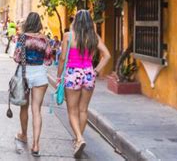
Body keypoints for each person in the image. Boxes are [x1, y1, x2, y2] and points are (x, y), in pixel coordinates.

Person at [57, 10, 111, 158]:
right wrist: (96, 71)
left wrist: (58, 76)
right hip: (88, 73)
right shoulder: (94, 37)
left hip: (72, 73)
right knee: (83, 110)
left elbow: (62, 58)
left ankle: (79, 139)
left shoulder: (68, 36)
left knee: (72, 110)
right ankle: (77, 140)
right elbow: (107, 55)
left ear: (76, 21)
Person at [13, 12, 52, 157]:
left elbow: (16, 57)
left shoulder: (22, 38)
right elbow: (48, 60)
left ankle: (23, 135)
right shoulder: (45, 39)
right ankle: (36, 145)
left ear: (28, 23)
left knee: (24, 106)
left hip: (25, 73)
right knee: (37, 110)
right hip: (40, 74)